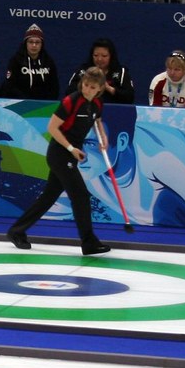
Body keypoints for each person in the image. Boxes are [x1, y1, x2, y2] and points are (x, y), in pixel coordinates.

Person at [7, 66, 112, 256]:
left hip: (70, 154)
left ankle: (17, 231)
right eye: (85, 85)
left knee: (48, 197)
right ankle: (88, 242)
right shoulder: (71, 101)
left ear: (100, 89)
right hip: (59, 153)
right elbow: (52, 128)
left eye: (92, 87)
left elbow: (97, 120)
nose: (87, 89)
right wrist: (71, 149)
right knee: (80, 195)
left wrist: (103, 137)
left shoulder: (97, 103)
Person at [68, 38, 136, 104]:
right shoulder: (83, 70)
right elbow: (69, 92)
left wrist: (109, 88)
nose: (99, 59)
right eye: (96, 55)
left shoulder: (121, 72)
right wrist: (85, 87)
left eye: (104, 56)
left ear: (111, 56)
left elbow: (129, 97)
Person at [3, 24, 59, 100]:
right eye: (30, 42)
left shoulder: (48, 61)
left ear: (42, 45)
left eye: (37, 42)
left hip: (43, 104)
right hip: (20, 102)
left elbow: (54, 86)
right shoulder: (16, 60)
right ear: (25, 43)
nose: (34, 45)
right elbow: (9, 85)